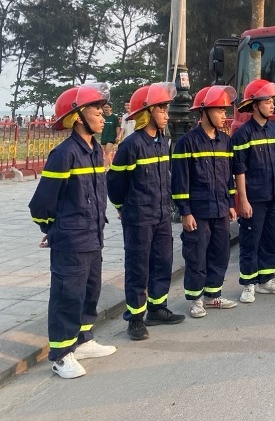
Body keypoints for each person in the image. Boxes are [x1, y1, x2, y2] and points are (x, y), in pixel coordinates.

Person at [29, 83, 117, 379]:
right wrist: (52, 229)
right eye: (96, 109)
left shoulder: (94, 151)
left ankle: (83, 341)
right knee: (67, 296)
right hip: (71, 239)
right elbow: (41, 204)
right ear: (78, 116)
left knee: (88, 292)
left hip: (93, 235)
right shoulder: (64, 154)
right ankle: (60, 355)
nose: (104, 115)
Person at [107, 82, 186, 341]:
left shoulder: (162, 141)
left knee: (162, 262)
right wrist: (123, 207)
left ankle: (157, 308)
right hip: (139, 217)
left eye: (166, 108)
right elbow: (115, 184)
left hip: (161, 214)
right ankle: (136, 319)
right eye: (162, 108)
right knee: (138, 267)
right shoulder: (131, 145)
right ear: (147, 112)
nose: (167, 113)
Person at [171, 85, 239, 318]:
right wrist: (185, 211)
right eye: (219, 110)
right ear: (204, 112)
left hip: (220, 207)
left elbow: (228, 175)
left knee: (220, 253)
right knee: (196, 255)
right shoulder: (186, 143)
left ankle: (212, 296)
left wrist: (231, 203)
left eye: (225, 110)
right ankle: (196, 299)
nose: (224, 115)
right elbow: (180, 181)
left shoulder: (225, 141)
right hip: (198, 210)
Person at [231, 80, 275, 303]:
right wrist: (242, 200)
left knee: (269, 239)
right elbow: (239, 170)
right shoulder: (243, 134)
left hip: (274, 195)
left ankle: (266, 280)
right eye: (268, 101)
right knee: (250, 240)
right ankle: (248, 283)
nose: (272, 105)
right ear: (254, 105)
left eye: (273, 101)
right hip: (254, 198)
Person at [100, 102, 122, 170]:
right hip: (104, 136)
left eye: (107, 107)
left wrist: (118, 136)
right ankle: (111, 168)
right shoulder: (102, 116)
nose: (106, 108)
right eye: (105, 107)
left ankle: (104, 168)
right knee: (107, 153)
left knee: (107, 152)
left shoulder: (114, 117)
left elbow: (117, 127)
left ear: (110, 108)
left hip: (111, 137)